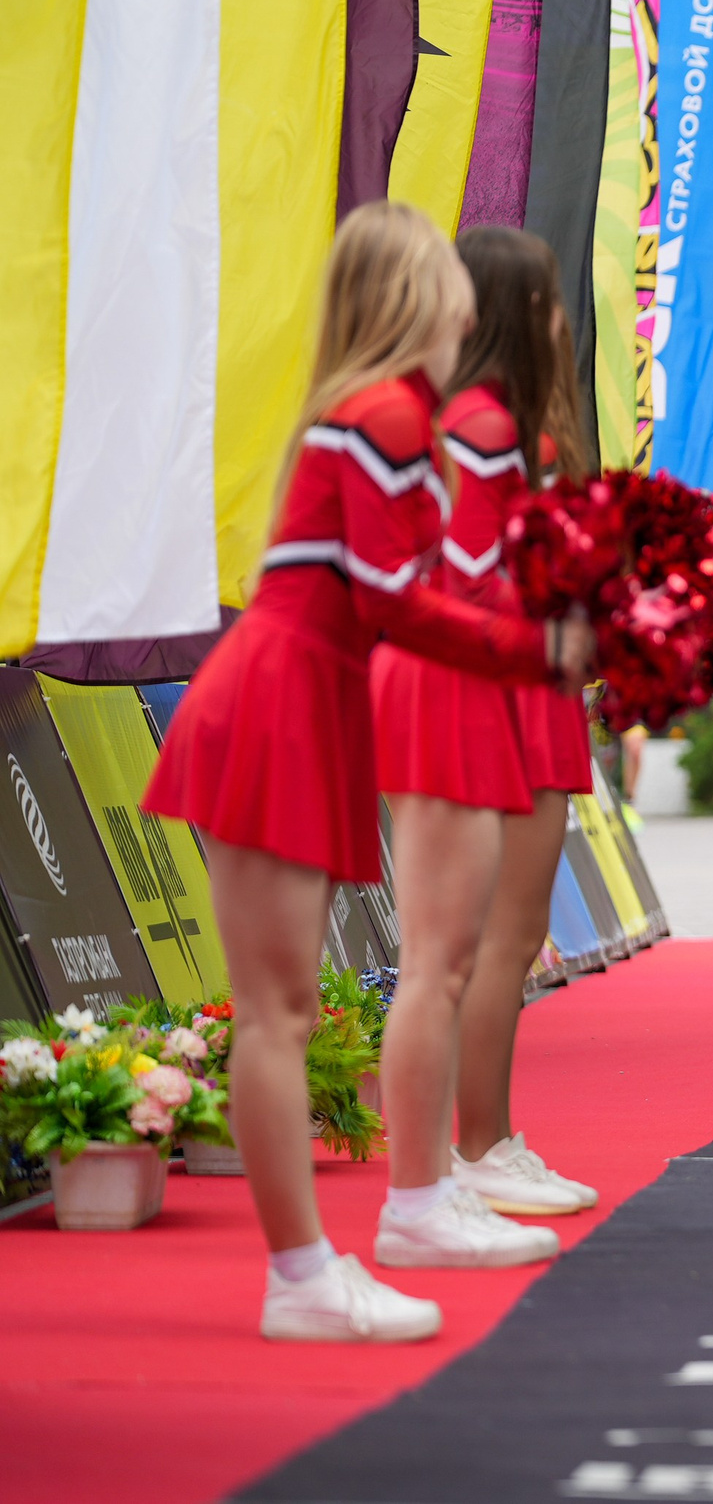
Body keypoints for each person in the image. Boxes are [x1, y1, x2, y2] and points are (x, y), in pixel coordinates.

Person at [140, 202, 594, 1343]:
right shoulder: (390, 412)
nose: (467, 283)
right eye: (447, 267)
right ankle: (306, 1271)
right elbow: (402, 601)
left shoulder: (385, 414)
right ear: (417, 291)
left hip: (309, 702)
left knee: (279, 1011)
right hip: (285, 703)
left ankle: (322, 1259)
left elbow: (404, 589)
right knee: (277, 1016)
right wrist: (532, 648)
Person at [402, 226, 602, 1229]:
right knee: (501, 938)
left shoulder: (507, 428)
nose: (563, 320)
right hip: (510, 698)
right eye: (552, 301)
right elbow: (473, 578)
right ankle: (477, 1145)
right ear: (520, 311)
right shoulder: (484, 427)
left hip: (532, 693)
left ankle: (484, 1139)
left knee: (504, 939)